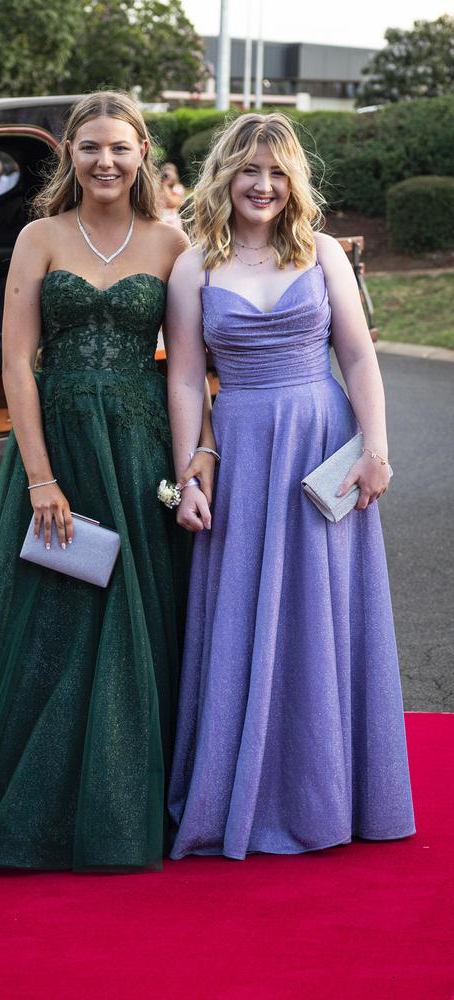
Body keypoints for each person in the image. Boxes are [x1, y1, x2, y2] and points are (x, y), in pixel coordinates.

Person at [0, 91, 215, 875]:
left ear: (143, 152)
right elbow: (17, 361)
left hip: (141, 449)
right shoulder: (39, 236)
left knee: (139, 622)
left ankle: (124, 800)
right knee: (60, 620)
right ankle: (40, 803)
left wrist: (192, 461)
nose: (105, 161)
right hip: (61, 450)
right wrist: (40, 477)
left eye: (119, 147)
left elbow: (187, 365)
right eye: (90, 148)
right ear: (70, 156)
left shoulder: (171, 241)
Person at [166, 112, 415, 860]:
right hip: (241, 450)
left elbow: (360, 359)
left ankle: (330, 793)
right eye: (249, 170)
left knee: (323, 616)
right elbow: (182, 377)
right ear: (226, 176)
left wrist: (376, 446)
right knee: (244, 613)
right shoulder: (194, 266)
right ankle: (241, 790)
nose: (263, 185)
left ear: (293, 181)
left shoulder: (324, 254)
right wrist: (188, 473)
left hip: (321, 449)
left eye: (276, 172)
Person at [158, 162, 185, 228]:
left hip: (173, 223)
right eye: (165, 175)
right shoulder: (158, 188)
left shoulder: (178, 188)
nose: (167, 177)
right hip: (160, 221)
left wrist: (165, 186)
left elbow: (173, 203)